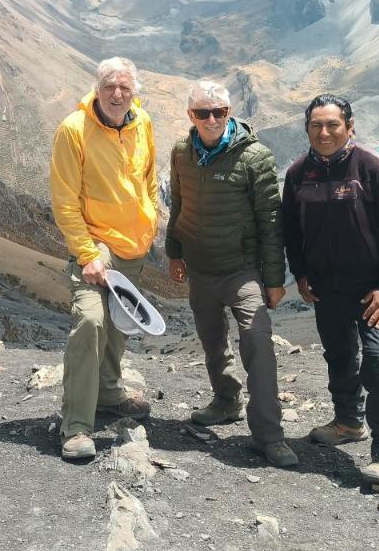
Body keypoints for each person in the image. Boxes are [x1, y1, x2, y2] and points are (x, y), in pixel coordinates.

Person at [281, 94, 379, 489]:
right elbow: (292, 230)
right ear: (307, 129)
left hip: (374, 292)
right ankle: (348, 422)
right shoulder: (297, 174)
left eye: (332, 125)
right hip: (326, 289)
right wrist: (301, 273)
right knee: (339, 356)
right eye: (315, 126)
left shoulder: (375, 168)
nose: (324, 133)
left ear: (349, 126)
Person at [165, 80, 298, 468]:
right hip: (200, 268)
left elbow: (271, 221)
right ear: (190, 115)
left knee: (257, 342)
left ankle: (269, 435)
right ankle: (225, 401)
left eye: (219, 112)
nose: (211, 119)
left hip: (242, 271)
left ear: (230, 113)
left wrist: (274, 280)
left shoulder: (255, 157)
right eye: (202, 112)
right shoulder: (181, 152)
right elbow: (178, 203)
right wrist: (174, 253)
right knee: (211, 341)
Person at [50, 57, 159, 461]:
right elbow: (64, 200)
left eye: (125, 87)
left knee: (119, 324)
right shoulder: (73, 131)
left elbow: (147, 174)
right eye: (110, 86)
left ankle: (108, 392)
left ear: (134, 91)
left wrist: (152, 217)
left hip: (135, 244)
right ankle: (77, 425)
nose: (117, 94)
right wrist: (87, 253)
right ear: (97, 87)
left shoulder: (141, 122)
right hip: (97, 246)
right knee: (91, 320)